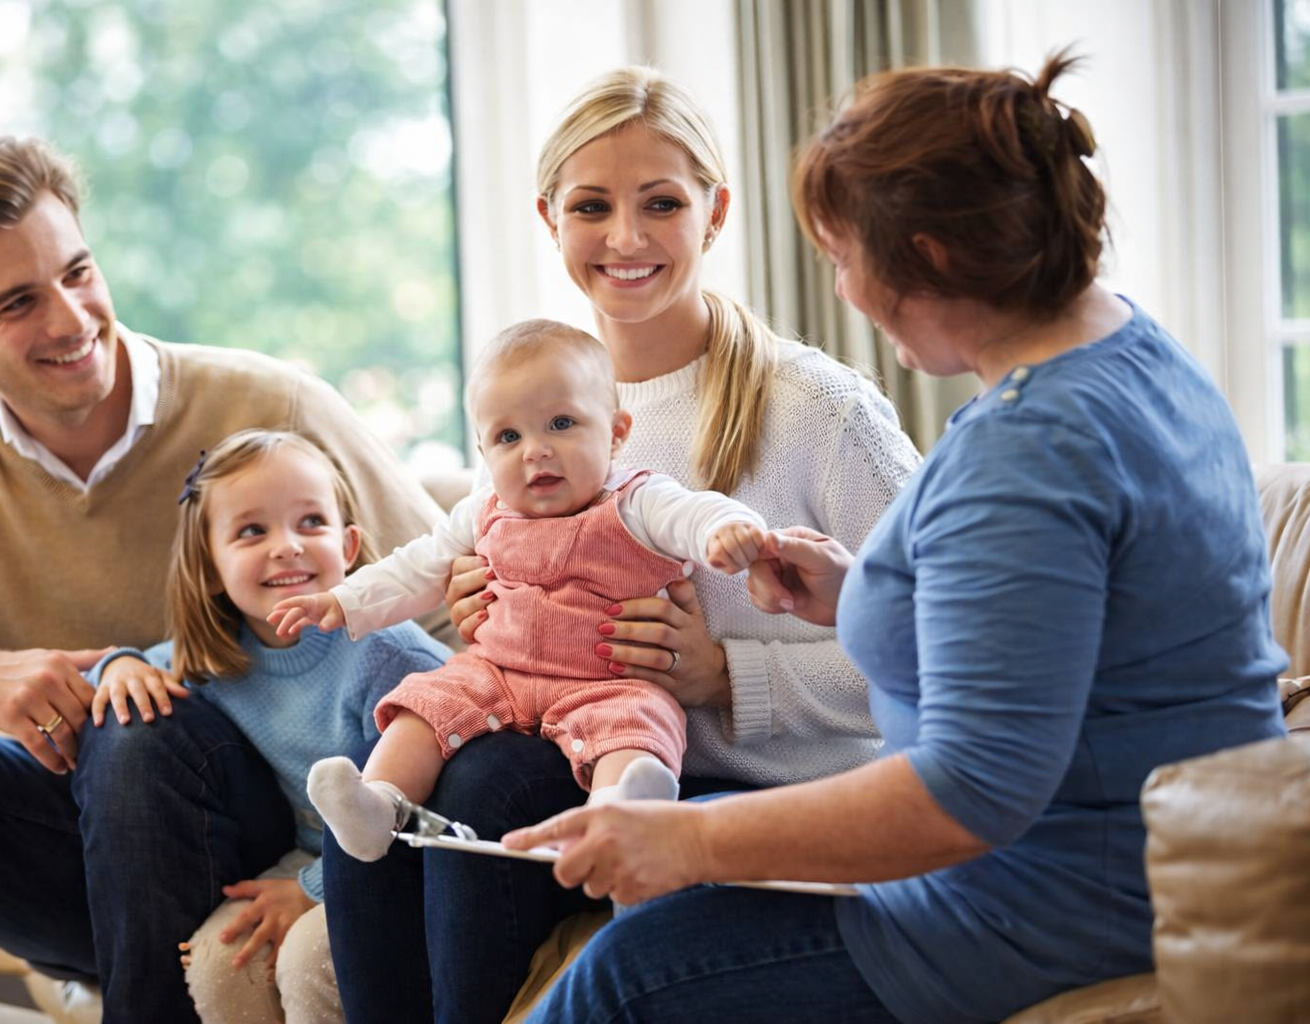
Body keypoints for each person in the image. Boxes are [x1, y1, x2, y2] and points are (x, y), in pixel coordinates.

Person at [501, 52, 1290, 1024]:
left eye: (843, 258)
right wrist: (863, 589)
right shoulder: (1130, 352)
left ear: (936, 257)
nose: (843, 292)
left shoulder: (1029, 451)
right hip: (1109, 858)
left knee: (620, 976)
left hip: (1038, 902)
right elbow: (1068, 630)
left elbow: (969, 793)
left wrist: (691, 847)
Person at [0, 136, 453, 1024]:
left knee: (136, 726)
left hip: (268, 840)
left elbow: (450, 604)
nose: (69, 319)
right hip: (67, 856)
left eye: (77, 272)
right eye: (18, 302)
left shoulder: (274, 411)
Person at [320, 67, 921, 1023]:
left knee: (479, 787)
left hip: (747, 787)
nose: (627, 239)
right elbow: (492, 573)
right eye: (592, 207)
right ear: (550, 218)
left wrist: (728, 674)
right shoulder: (536, 403)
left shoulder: (821, 413)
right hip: (575, 741)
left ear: (715, 213)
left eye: (662, 205)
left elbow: (935, 660)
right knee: (386, 785)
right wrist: (484, 605)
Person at [274, 320, 767, 862]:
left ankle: (622, 813)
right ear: (484, 453)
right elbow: (415, 568)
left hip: (606, 682)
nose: (536, 451)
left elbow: (695, 513)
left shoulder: (637, 501)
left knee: (640, 723)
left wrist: (727, 531)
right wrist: (343, 600)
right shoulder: (483, 510)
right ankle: (378, 805)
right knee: (425, 704)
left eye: (561, 424)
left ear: (617, 432)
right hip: (496, 673)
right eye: (509, 437)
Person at [88, 428, 451, 1024]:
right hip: (309, 854)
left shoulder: (387, 656)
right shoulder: (216, 655)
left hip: (404, 859)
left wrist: (311, 888)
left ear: (350, 545)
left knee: (308, 960)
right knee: (217, 959)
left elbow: (423, 820)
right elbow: (124, 682)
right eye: (253, 531)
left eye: (311, 522)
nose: (287, 546)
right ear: (209, 567)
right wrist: (117, 665)